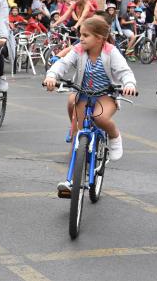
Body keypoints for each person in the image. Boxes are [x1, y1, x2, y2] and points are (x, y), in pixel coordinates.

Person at [44, 17, 137, 193]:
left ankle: (115, 137)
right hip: (84, 94)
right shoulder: (78, 50)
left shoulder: (111, 52)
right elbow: (62, 64)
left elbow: (125, 72)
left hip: (106, 95)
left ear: (100, 38)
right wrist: (51, 76)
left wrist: (129, 84)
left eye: (86, 35)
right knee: (78, 138)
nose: (81, 39)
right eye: (80, 35)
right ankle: (71, 181)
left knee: (99, 118)